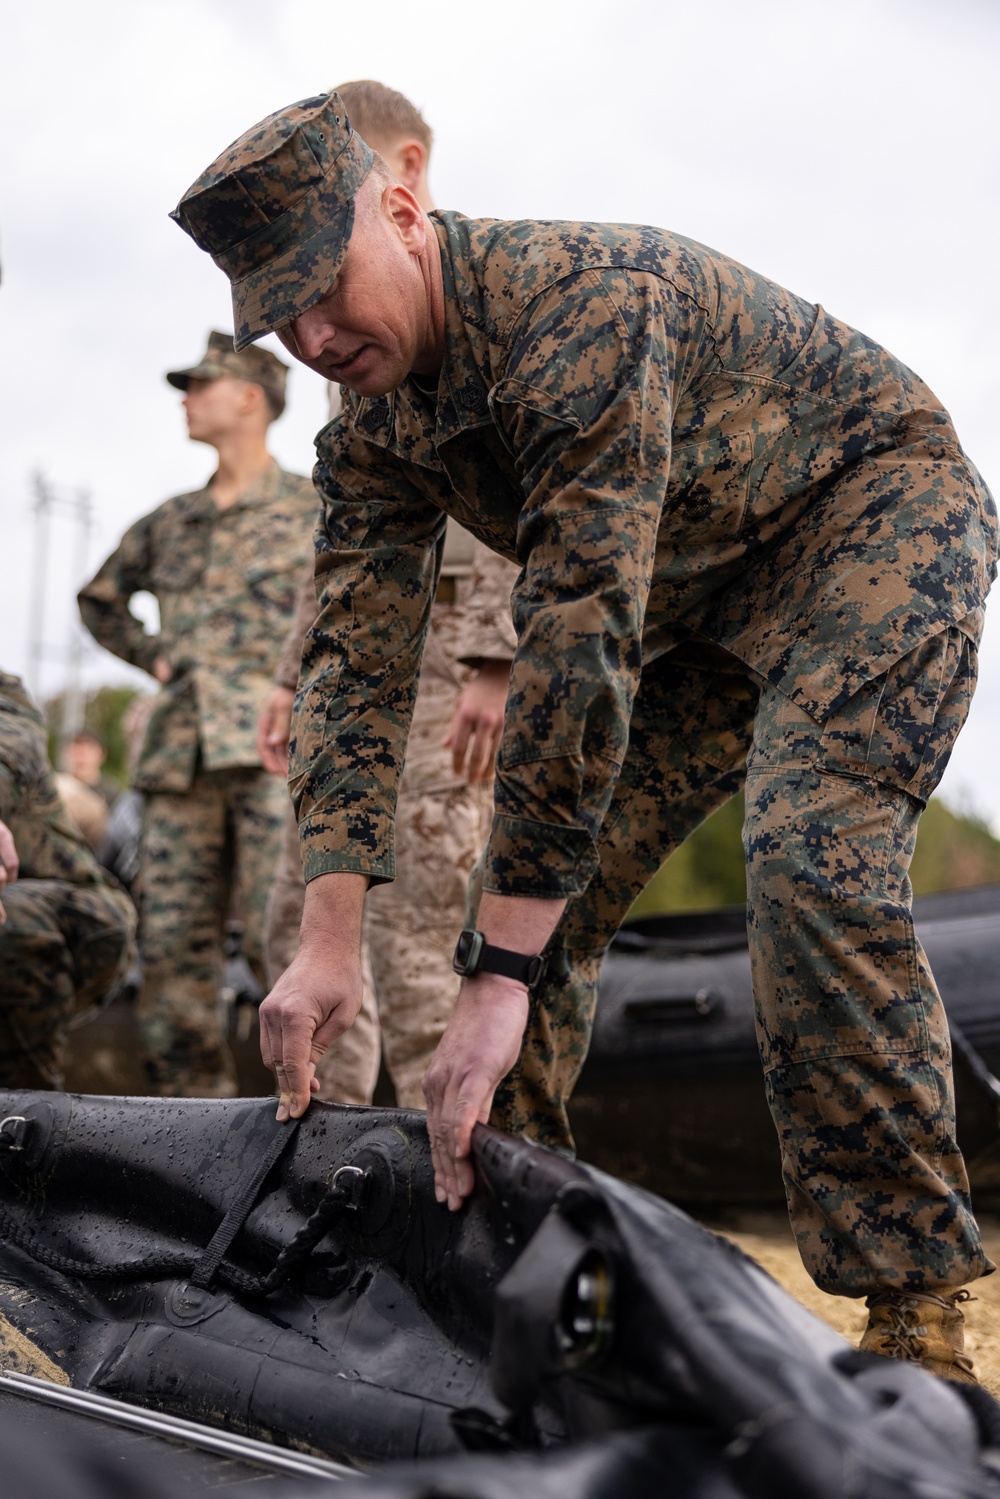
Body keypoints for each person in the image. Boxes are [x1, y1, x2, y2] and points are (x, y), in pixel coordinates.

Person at [172, 91, 999, 1380]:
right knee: (525, 921)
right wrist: (324, 937)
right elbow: (354, 666)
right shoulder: (372, 431)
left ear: (404, 212)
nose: (314, 333)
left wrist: (497, 975)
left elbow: (579, 638)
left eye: (327, 285)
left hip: (868, 521)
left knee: (808, 856)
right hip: (706, 597)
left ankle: (920, 1313)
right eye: (281, 312)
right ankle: (526, 1249)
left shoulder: (578, 304)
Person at [257, 80, 517, 1109]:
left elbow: (516, 495)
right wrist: (294, 672)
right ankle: (337, 1159)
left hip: (455, 664)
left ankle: (443, 1170)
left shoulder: (475, 293)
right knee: (314, 921)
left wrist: (495, 660)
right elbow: (346, 535)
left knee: (422, 937)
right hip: (367, 663)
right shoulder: (343, 321)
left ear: (404, 169)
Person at [78, 335, 316, 1096]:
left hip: (270, 753)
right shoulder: (171, 521)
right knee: (174, 951)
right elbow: (100, 600)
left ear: (250, 397)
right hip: (178, 760)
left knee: (284, 939)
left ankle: (308, 1115)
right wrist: (153, 657)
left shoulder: (313, 507)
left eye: (200, 384)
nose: (186, 398)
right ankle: (194, 1124)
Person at [0, 672, 135, 1088]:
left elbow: (11, 756)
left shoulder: (8, 697)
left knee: (15, 922)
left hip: (70, 911)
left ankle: (20, 1110)